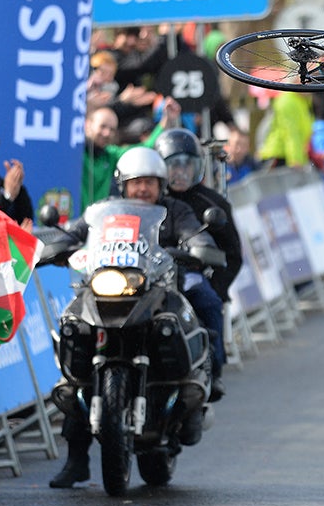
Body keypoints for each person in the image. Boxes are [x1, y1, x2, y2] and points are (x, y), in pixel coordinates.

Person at [49, 146, 224, 488]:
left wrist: (196, 247)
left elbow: (194, 234)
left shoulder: (175, 210)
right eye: (136, 182)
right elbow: (73, 232)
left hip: (157, 288)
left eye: (150, 182)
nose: (143, 189)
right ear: (122, 184)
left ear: (161, 185)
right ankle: (76, 460)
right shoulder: (102, 212)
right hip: (105, 288)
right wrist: (57, 244)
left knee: (204, 297)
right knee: (74, 332)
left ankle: (209, 370)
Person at [154, 128, 242, 401]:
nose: (180, 172)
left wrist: (216, 285)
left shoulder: (213, 202)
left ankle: (213, 370)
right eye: (172, 165)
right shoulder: (147, 199)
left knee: (207, 301)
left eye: (186, 165)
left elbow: (233, 254)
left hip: (193, 274)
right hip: (147, 276)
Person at [81, 99, 180, 212]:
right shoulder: (72, 152)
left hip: (96, 222)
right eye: (103, 127)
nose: (107, 133)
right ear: (87, 125)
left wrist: (166, 120)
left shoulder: (110, 154)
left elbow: (143, 150)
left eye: (112, 129)